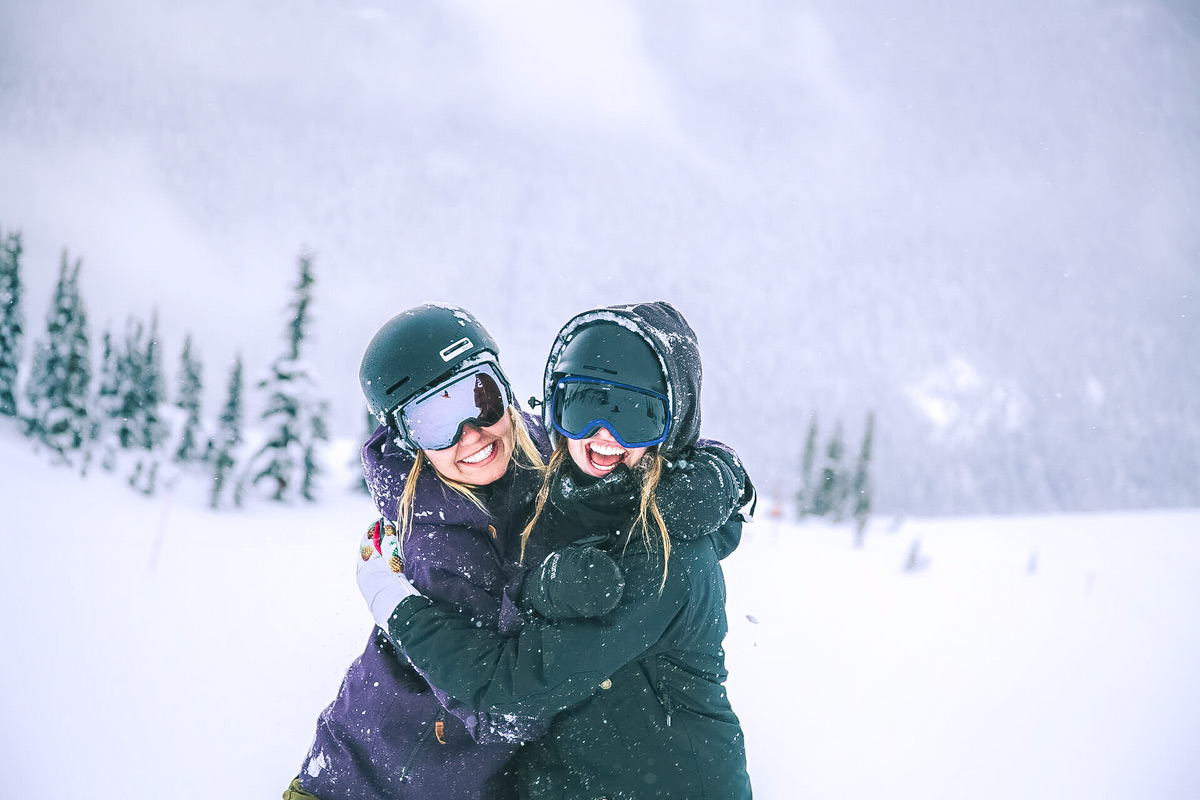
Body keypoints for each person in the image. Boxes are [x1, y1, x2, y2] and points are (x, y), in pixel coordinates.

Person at [289, 302, 746, 800]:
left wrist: (716, 479)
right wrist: (393, 603)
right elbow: (504, 710)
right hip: (379, 782)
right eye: (432, 421)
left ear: (506, 390)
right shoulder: (435, 543)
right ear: (405, 439)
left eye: (479, 397)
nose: (470, 433)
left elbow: (645, 450)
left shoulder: (544, 448)